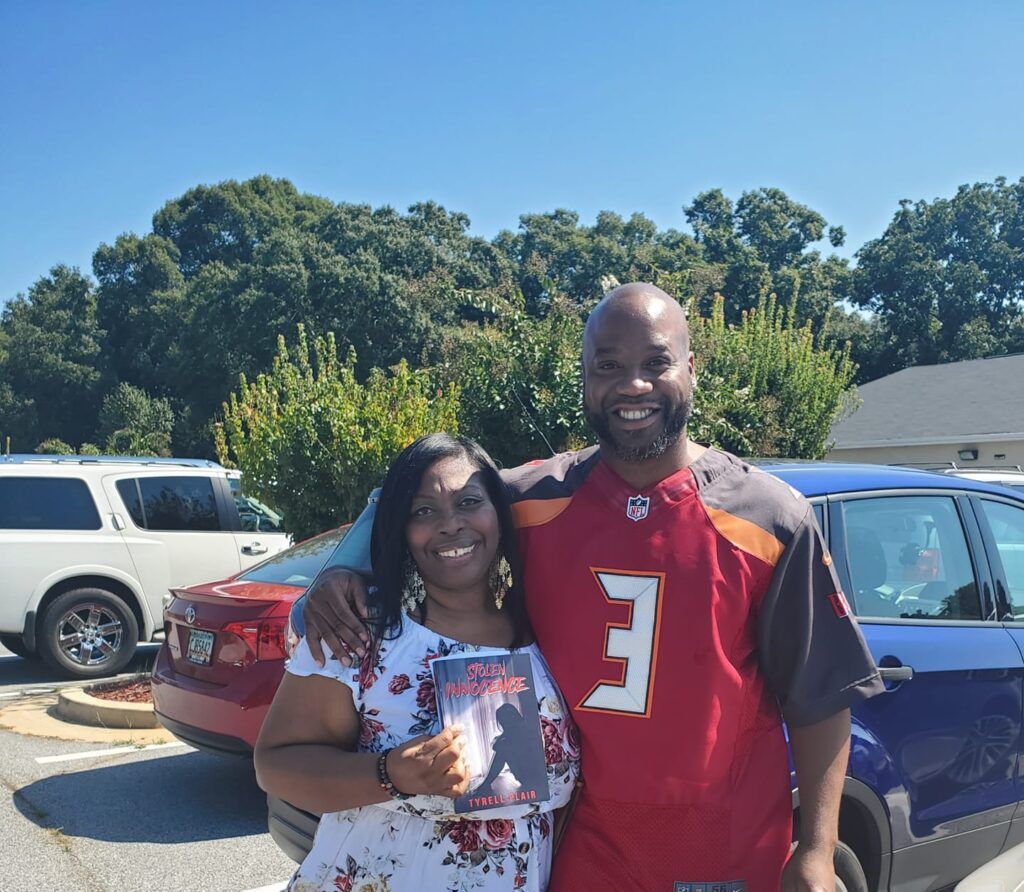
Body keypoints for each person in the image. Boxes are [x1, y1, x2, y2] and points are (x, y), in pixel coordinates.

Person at [302, 284, 884, 891]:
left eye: (655, 362)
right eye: (608, 365)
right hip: (584, 842)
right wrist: (341, 568)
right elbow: (424, 504)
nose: (632, 385)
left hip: (724, 843)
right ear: (584, 378)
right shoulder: (532, 499)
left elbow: (820, 697)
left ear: (690, 368)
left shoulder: (768, 517)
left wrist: (817, 850)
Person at [254, 434, 581, 892]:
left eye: (469, 502)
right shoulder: (357, 634)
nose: (450, 525)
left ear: (500, 516)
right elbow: (275, 765)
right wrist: (390, 773)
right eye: (423, 511)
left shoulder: (552, 638)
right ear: (399, 530)